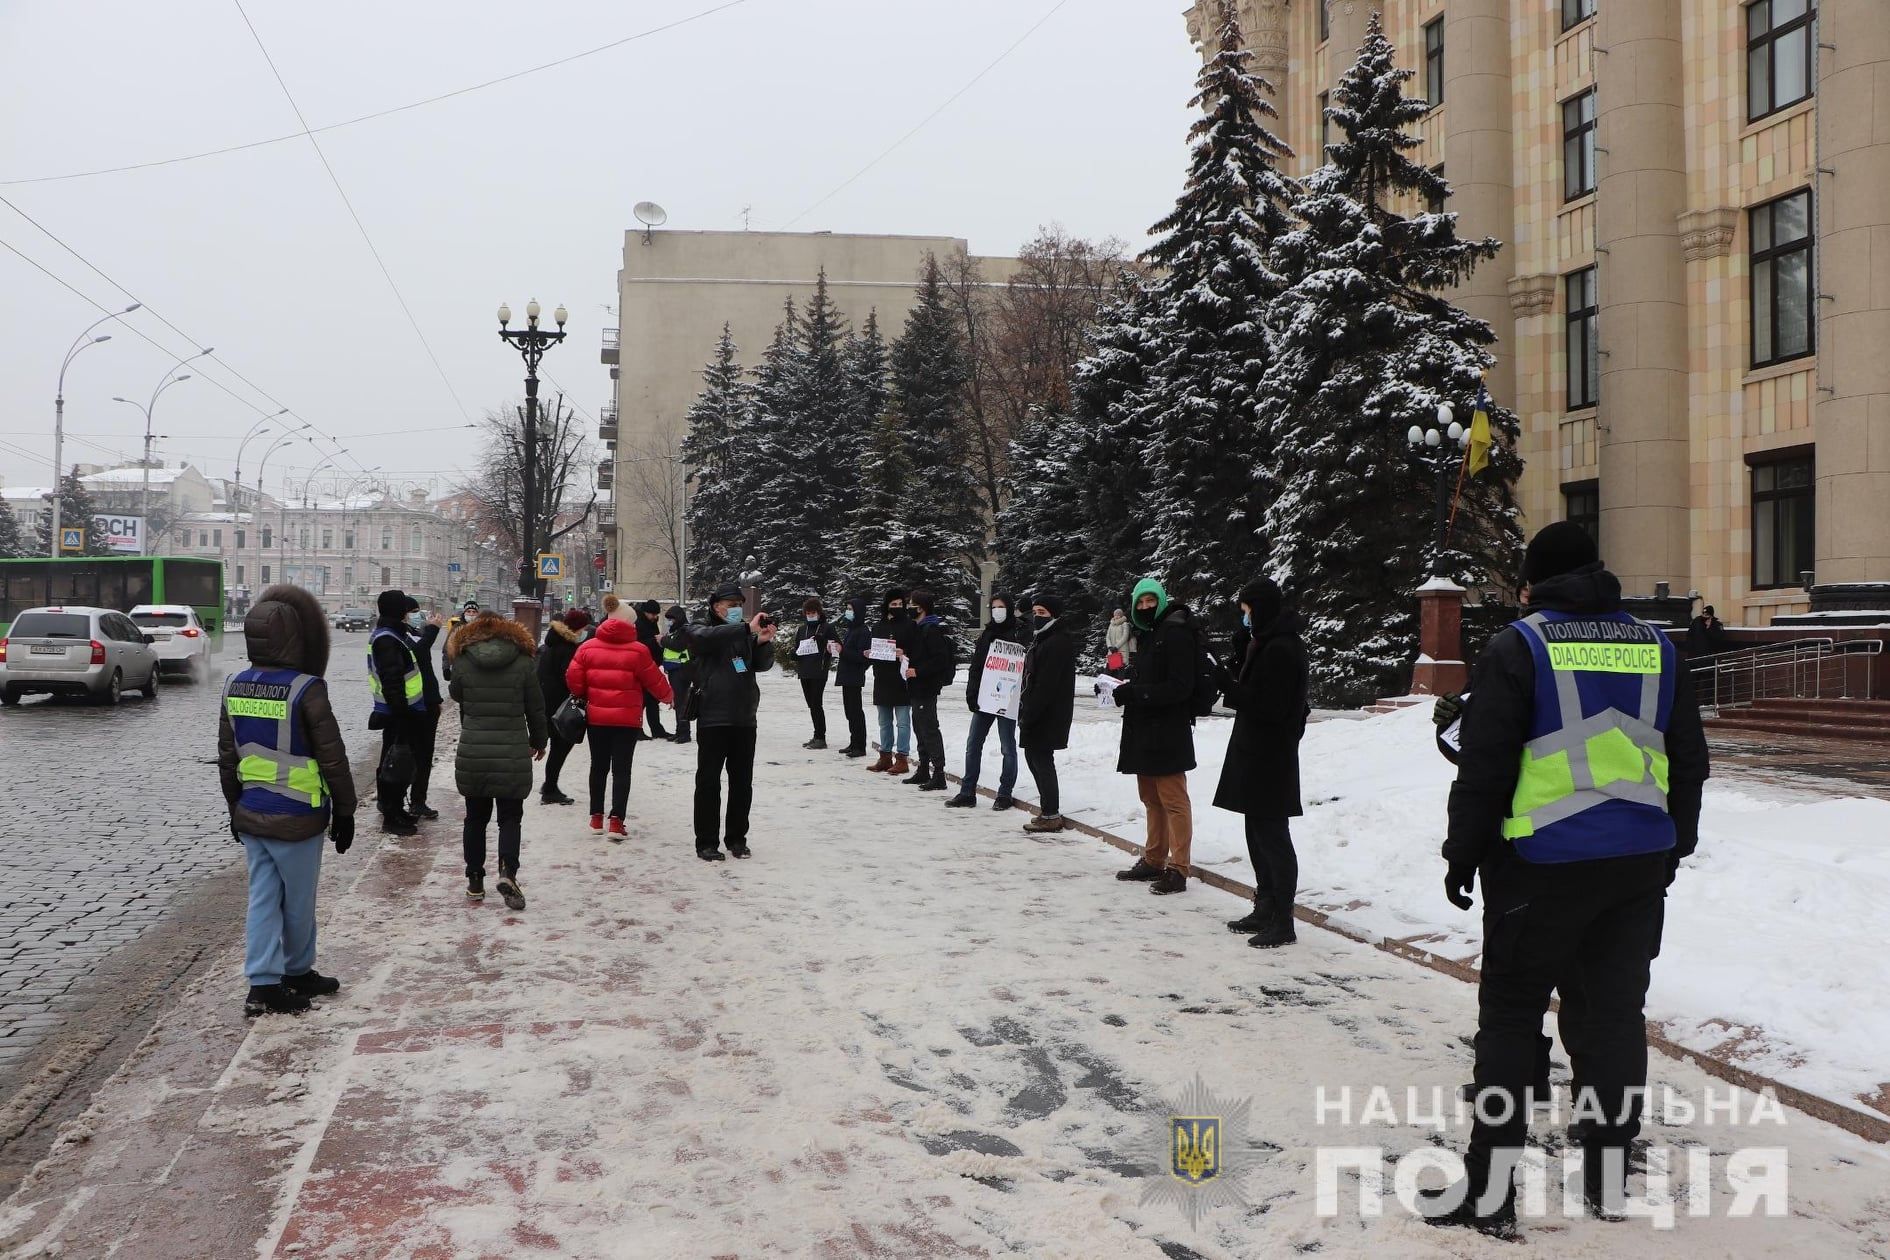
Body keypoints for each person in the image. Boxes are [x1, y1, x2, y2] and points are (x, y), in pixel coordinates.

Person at [1423, 521, 1710, 1232]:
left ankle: (1491, 1191)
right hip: (1635, 864)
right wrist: (1675, 845)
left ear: (1534, 582)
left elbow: (1486, 763)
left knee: (1511, 1015)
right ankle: (1607, 1177)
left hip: (1540, 865)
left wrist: (1463, 852)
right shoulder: (1657, 646)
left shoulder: (1518, 645)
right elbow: (1689, 759)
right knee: (1612, 1014)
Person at [217, 584, 357, 1018]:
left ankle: (262, 984)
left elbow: (227, 756)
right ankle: (297, 971)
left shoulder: (234, 685)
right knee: (298, 902)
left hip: (252, 814)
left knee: (262, 898)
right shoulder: (306, 689)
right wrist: (346, 810)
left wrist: (234, 809)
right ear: (296, 637)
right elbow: (332, 757)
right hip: (298, 815)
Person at [1213, 577, 1307, 948]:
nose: (1245, 617)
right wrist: (1240, 656)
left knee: (1273, 836)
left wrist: (1228, 685)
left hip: (1271, 756)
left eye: (1247, 611)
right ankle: (1265, 905)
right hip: (1256, 751)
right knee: (1256, 832)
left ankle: (1283, 919)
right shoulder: (1266, 642)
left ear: (1262, 608)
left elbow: (1270, 706)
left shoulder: (1282, 648)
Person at [447, 612, 548, 909]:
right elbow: (535, 707)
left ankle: (474, 880)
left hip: (474, 750)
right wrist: (539, 741)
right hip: (512, 751)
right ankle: (508, 872)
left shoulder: (463, 660)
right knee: (510, 818)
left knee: (475, 818)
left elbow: (456, 693)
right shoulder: (523, 662)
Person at [1111, 578, 1199, 895]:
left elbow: (1180, 686)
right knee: (1151, 799)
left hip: (1168, 729)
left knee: (1173, 801)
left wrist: (1137, 694)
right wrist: (1124, 688)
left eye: (1151, 601)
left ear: (1161, 601)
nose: (1146, 606)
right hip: (1145, 729)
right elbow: (1149, 676)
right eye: (1141, 602)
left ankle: (1179, 868)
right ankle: (1154, 858)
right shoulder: (1149, 633)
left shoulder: (1175, 632)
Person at [566, 598, 673, 840]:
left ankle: (596, 818)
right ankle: (616, 822)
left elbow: (574, 679)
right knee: (622, 770)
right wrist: (668, 696)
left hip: (597, 718)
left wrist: (586, 693)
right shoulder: (638, 650)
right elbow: (654, 679)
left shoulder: (587, 647)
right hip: (627, 720)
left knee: (598, 767)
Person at [688, 583, 777, 859]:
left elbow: (760, 665)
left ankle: (737, 838)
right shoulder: (702, 628)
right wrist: (746, 629)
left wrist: (762, 642)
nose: (737, 609)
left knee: (742, 783)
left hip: (743, 718)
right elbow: (703, 638)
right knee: (708, 782)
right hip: (713, 717)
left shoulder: (743, 634)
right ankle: (706, 842)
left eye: (739, 604)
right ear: (716, 607)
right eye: (731, 605)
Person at [948, 591, 1029, 810]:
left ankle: (1004, 794)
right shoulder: (987, 633)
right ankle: (967, 791)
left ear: (1009, 609)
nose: (997, 611)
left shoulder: (1020, 632)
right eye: (994, 607)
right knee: (973, 744)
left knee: (1007, 747)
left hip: (1008, 698)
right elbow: (977, 666)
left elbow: (1024, 665)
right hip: (985, 697)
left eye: (1001, 607)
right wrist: (972, 693)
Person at [368, 589, 427, 836]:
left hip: (404, 710)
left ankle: (397, 809)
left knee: (400, 762)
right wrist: (402, 713)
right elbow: (392, 681)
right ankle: (391, 815)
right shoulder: (387, 639)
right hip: (399, 712)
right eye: (405, 608)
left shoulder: (394, 635)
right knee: (394, 763)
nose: (408, 613)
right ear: (398, 610)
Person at [1018, 593, 1078, 833]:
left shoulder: (1057, 642)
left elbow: (1046, 684)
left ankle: (1051, 813)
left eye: (1042, 613)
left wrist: (1030, 713)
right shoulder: (1043, 639)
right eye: (1035, 613)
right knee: (1033, 758)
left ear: (1054, 615)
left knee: (1042, 760)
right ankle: (1047, 810)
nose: (1037, 617)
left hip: (1048, 714)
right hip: (1038, 711)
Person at [901, 588, 958, 790]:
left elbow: (939, 660)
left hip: (926, 687)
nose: (909, 608)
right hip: (916, 687)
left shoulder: (931, 629)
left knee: (929, 728)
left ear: (921, 608)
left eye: (912, 605)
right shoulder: (918, 628)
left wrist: (918, 671)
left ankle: (938, 773)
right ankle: (923, 768)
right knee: (919, 727)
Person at [535, 607, 589, 804]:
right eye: (583, 628)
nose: (584, 632)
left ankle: (550, 785)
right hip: (561, 705)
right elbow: (570, 678)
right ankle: (550, 788)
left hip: (548, 702)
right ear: (576, 628)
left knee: (559, 746)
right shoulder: (567, 649)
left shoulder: (551, 644)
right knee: (561, 745)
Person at [401, 596, 444, 821]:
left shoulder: (413, 632)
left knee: (423, 755)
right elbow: (417, 653)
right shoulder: (400, 635)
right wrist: (432, 630)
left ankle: (417, 800)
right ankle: (406, 800)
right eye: (414, 611)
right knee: (413, 754)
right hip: (416, 703)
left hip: (426, 701)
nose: (418, 615)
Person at [865, 588, 915, 775]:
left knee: (903, 722)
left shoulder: (910, 625)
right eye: (894, 604)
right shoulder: (878, 626)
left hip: (901, 679)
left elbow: (917, 648)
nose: (897, 607)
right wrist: (870, 653)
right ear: (887, 605)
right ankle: (885, 756)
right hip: (883, 678)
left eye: (900, 604)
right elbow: (874, 648)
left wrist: (905, 652)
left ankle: (902, 757)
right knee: (884, 721)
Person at [792, 597, 840, 749]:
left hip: (819, 671)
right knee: (811, 704)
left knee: (816, 703)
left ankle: (821, 737)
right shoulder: (802, 629)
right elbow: (796, 648)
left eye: (813, 613)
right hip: (804, 671)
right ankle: (816, 734)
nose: (810, 615)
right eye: (808, 613)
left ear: (819, 613)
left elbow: (837, 648)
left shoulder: (827, 628)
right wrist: (794, 654)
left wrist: (824, 642)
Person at [833, 596, 872, 758]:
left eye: (850, 609)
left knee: (855, 712)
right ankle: (853, 742)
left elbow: (862, 657)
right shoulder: (852, 629)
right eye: (847, 609)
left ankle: (860, 745)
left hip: (854, 676)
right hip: (846, 675)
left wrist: (842, 651)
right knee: (849, 711)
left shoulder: (863, 631)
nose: (847, 612)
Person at [634, 599, 672, 739]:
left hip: (651, 664)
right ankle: (638, 730)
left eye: (656, 614)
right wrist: (655, 641)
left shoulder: (651, 622)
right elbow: (638, 643)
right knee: (643, 700)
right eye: (653, 614)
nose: (655, 617)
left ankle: (656, 729)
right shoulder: (638, 622)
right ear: (646, 612)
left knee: (652, 699)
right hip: (641, 666)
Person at [660, 605, 698, 744]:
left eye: (671, 619)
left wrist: (662, 640)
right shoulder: (675, 631)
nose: (669, 622)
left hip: (682, 670)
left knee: (681, 703)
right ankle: (680, 731)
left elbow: (678, 646)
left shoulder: (684, 630)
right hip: (675, 669)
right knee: (678, 702)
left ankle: (684, 733)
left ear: (678, 618)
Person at [441, 599, 480, 681]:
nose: (471, 614)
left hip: (479, 671)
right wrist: (446, 668)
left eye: (474, 612)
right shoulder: (457, 628)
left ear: (477, 614)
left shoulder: (482, 628)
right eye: (468, 611)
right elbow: (447, 648)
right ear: (464, 612)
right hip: (460, 670)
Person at [1104, 607, 1133, 677]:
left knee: (1120, 672)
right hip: (1112, 651)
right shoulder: (1111, 625)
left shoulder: (1124, 624)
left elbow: (1125, 637)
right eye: (1115, 615)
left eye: (1118, 615)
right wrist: (1109, 646)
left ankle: (1119, 684)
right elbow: (1108, 636)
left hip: (1121, 651)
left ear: (1121, 615)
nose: (1116, 616)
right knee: (1108, 672)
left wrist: (1116, 647)